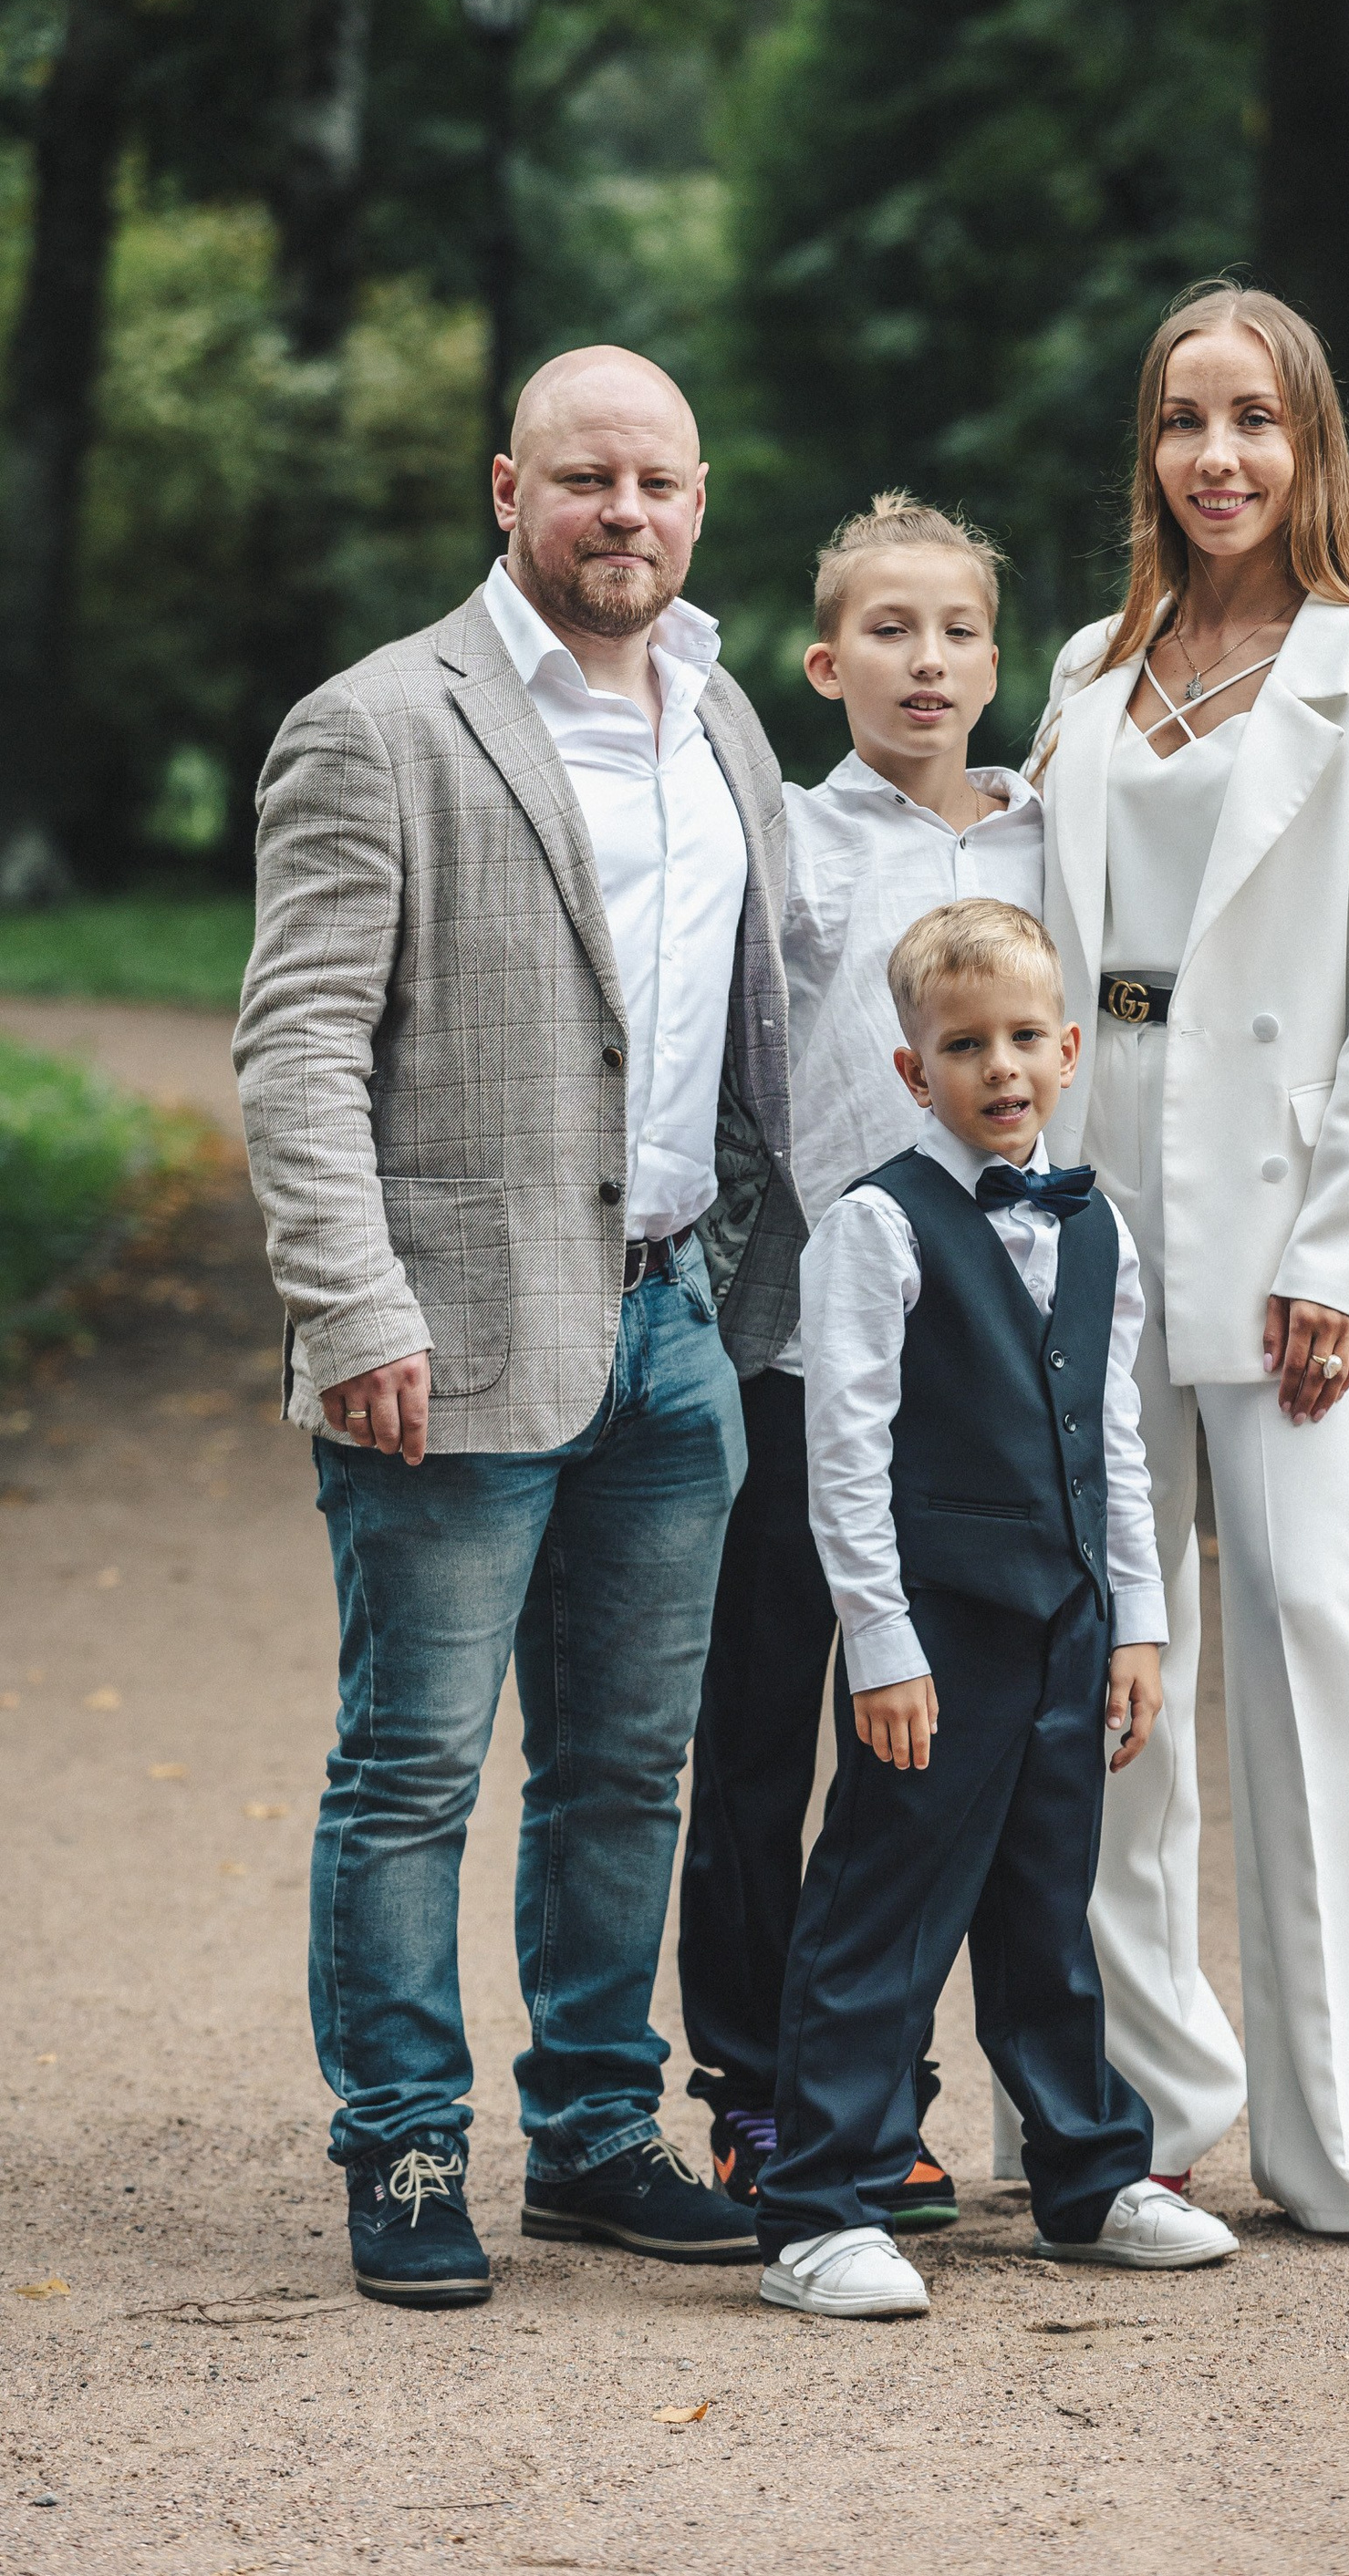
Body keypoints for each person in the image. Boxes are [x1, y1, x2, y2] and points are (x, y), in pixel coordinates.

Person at [233, 345, 804, 2308]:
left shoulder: (724, 719)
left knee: (626, 1771)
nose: (622, 512)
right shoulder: (377, 723)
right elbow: (299, 1043)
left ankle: (591, 2134)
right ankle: (403, 2147)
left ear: (700, 501)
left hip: (672, 1332)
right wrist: (349, 1306)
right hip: (445, 1343)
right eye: (584, 478)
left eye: (657, 480)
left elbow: (758, 1032)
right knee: (411, 1772)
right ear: (508, 491)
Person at [1008, 280, 1349, 2235]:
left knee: (1304, 1619)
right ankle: (1137, 2093)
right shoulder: (1089, 663)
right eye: (1185, 419)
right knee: (1110, 1640)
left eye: (1257, 420)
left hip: (1288, 1202)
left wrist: (1345, 1252)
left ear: (1311, 446)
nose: (1219, 456)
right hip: (1094, 1182)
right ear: (1149, 445)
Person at [753, 900, 1239, 2319]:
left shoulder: (1098, 1232)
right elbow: (843, 1457)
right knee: (883, 1912)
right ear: (916, 1073)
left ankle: (1087, 2178)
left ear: (1071, 1050)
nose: (1002, 1067)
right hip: (938, 1635)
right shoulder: (876, 1227)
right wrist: (880, 1645)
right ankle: (816, 2208)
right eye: (965, 1046)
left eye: (1026, 1038)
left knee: (1046, 1914)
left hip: (1066, 1626)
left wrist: (1134, 1624)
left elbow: (1117, 1447)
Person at [677, 493, 1044, 2227]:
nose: (927, 661)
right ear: (827, 666)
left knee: (922, 1744)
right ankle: (754, 2089)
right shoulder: (790, 847)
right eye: (888, 632)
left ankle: (882, 2089)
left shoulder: (1051, 840)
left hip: (982, 1370)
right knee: (761, 1727)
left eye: (957, 630)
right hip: (799, 1348)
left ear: (998, 660)